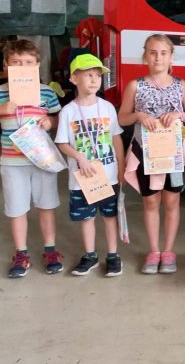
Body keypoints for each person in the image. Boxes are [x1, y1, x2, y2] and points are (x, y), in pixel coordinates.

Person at [0, 39, 63, 278]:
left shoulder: (46, 92)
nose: (22, 67)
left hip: (43, 160)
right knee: (16, 208)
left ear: (37, 65)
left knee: (46, 205)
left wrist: (51, 121)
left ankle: (50, 250)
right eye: (16, 62)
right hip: (12, 162)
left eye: (28, 62)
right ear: (6, 66)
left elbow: (59, 119)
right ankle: (21, 253)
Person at [118, 34, 185, 274]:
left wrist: (179, 115)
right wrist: (138, 115)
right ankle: (154, 251)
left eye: (163, 53)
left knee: (172, 201)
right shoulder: (135, 85)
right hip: (146, 153)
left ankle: (168, 251)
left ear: (171, 57)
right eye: (152, 52)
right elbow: (122, 118)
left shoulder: (181, 85)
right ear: (145, 56)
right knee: (151, 201)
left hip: (173, 154)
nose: (158, 57)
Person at [55, 54, 125, 277]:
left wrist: (121, 168)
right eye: (88, 75)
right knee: (86, 218)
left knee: (110, 216)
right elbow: (62, 143)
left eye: (97, 75)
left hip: (108, 176)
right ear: (74, 79)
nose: (95, 80)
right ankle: (90, 255)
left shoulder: (107, 108)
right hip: (82, 179)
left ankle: (113, 255)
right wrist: (79, 157)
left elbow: (116, 139)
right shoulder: (68, 111)